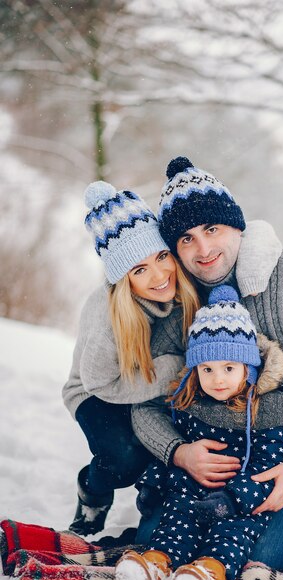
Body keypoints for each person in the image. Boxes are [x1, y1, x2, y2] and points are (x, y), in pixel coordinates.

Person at [131, 156, 283, 573]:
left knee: (261, 561)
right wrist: (179, 452)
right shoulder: (181, 307)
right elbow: (145, 403)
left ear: (236, 226)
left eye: (212, 229)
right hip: (215, 452)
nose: (203, 249)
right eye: (185, 239)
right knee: (154, 544)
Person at [115, 285, 283, 580]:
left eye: (229, 368)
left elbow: (270, 466)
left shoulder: (267, 408)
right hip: (192, 488)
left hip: (239, 500)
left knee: (232, 534)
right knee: (174, 521)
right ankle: (155, 565)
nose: (218, 379)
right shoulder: (189, 401)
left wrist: (234, 499)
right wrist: (161, 480)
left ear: (248, 367)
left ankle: (210, 574)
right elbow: (178, 443)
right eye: (207, 369)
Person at [62, 180, 199, 536]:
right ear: (124, 279)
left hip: (146, 384)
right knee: (125, 457)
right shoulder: (108, 318)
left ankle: (156, 509)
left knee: (165, 442)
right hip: (96, 390)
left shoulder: (183, 290)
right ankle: (91, 491)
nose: (159, 275)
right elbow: (99, 381)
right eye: (139, 270)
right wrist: (173, 370)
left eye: (161, 257)